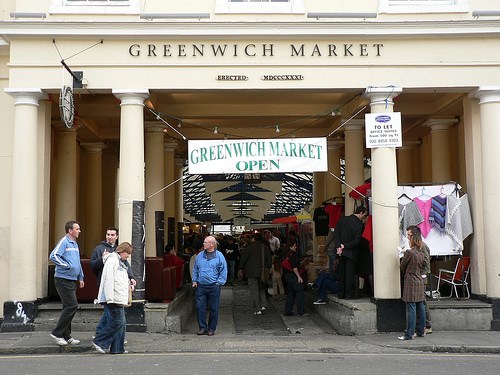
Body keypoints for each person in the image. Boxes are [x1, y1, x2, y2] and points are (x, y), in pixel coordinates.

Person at [90, 227, 136, 339]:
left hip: (117, 287)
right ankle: (101, 337)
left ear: (116, 236)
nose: (110, 237)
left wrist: (131, 277)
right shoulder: (99, 249)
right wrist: (102, 259)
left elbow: (125, 266)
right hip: (105, 284)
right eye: (108, 234)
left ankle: (102, 334)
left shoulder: (119, 250)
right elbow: (92, 266)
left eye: (112, 235)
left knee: (109, 313)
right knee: (113, 315)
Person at [49, 220, 84, 346]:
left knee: (67, 307)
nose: (79, 231)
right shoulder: (64, 241)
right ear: (70, 231)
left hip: (72, 279)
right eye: (77, 229)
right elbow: (53, 256)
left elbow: (78, 262)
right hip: (63, 278)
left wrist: (80, 277)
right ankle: (57, 333)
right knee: (72, 306)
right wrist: (67, 266)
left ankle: (66, 336)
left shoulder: (74, 244)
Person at [192, 235, 227, 336]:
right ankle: (202, 328)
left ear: (212, 244)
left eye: (205, 242)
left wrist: (219, 283)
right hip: (201, 285)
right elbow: (195, 268)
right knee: (199, 307)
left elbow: (223, 270)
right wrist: (194, 281)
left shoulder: (219, 256)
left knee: (214, 308)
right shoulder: (199, 255)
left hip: (214, 286)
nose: (203, 244)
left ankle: (211, 328)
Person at [334, 206, 368, 299]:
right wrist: (345, 246)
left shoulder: (343, 219)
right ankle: (349, 294)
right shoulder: (359, 225)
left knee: (342, 273)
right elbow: (356, 241)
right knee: (350, 274)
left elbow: (336, 233)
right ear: (360, 213)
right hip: (351, 253)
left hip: (340, 252)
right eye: (364, 215)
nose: (364, 218)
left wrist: (339, 246)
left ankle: (341, 293)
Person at [398, 230, 426, 340]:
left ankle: (409, 334)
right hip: (419, 280)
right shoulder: (421, 254)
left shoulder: (409, 252)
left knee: (411, 308)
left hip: (410, 281)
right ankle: (421, 331)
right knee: (420, 307)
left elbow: (402, 266)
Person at [406, 225, 433, 334]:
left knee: (422, 302)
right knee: (420, 302)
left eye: (409, 235)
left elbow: (426, 263)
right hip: (418, 277)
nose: (408, 237)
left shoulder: (422, 246)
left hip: (420, 278)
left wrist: (422, 275)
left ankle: (427, 325)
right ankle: (420, 327)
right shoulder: (416, 246)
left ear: (414, 235)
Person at [239, 232, 272, 315]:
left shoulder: (249, 248)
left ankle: (258, 309)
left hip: (251, 273)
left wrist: (240, 268)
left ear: (253, 239)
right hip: (262, 272)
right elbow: (269, 261)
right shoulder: (265, 247)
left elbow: (243, 259)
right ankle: (264, 305)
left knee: (254, 291)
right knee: (261, 289)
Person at [282, 241, 308, 317]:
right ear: (290, 247)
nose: (296, 247)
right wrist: (298, 276)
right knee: (300, 291)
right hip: (293, 276)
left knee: (291, 293)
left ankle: (288, 311)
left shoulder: (286, 255)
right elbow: (294, 267)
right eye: (294, 246)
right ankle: (301, 311)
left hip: (287, 276)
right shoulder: (293, 255)